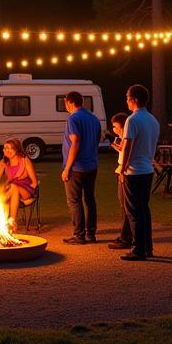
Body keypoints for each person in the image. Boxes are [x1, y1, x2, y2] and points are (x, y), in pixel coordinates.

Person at [118, 84, 161, 261]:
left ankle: (138, 249)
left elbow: (127, 146)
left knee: (133, 211)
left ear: (134, 99)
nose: (126, 100)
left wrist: (123, 167)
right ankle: (147, 247)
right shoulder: (153, 120)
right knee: (144, 210)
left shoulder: (132, 120)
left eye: (128, 97)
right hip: (147, 170)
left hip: (134, 171)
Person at [60, 90, 101, 244]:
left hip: (76, 167)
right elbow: (97, 140)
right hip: (91, 165)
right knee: (90, 199)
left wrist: (67, 168)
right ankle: (91, 233)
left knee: (74, 201)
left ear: (69, 102)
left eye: (65, 103)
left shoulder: (73, 118)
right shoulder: (93, 118)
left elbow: (75, 141)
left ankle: (79, 235)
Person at [0, 138, 39, 224]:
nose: (7, 151)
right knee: (5, 191)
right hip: (11, 190)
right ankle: (4, 224)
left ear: (16, 150)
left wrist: (30, 195)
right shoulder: (3, 163)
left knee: (12, 188)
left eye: (10, 148)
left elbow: (34, 182)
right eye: (5, 148)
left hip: (26, 190)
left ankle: (12, 221)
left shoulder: (25, 161)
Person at [107, 112, 135, 250]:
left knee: (126, 206)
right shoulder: (123, 138)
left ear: (123, 126)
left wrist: (123, 170)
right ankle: (125, 235)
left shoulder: (127, 137)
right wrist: (118, 148)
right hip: (121, 171)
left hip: (125, 173)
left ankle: (127, 237)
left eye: (115, 126)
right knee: (123, 206)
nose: (114, 129)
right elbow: (124, 151)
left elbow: (128, 154)